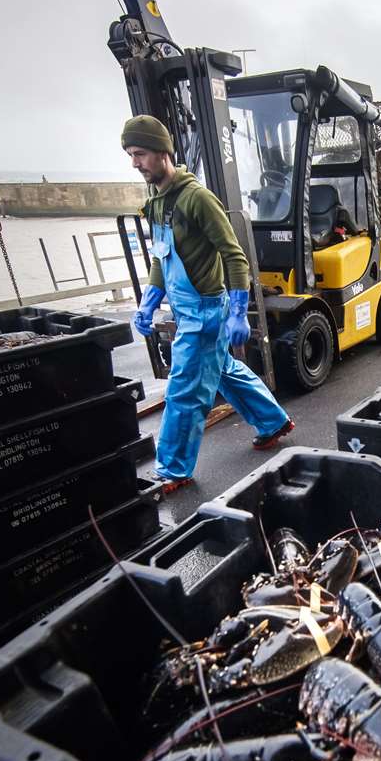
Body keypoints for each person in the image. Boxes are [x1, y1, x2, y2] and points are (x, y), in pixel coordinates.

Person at [122, 115, 294, 491]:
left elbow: (234, 256)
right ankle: (272, 421)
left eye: (141, 154)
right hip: (185, 310)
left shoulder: (196, 198)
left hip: (205, 311)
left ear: (163, 152)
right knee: (223, 370)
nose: (135, 163)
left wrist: (237, 312)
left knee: (185, 388)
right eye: (131, 155)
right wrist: (149, 302)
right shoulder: (157, 200)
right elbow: (160, 257)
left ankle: (172, 469)